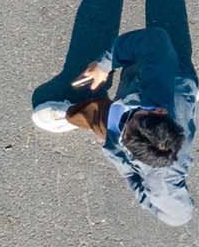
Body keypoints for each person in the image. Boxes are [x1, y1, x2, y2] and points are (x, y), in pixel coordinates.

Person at [33, 26, 196, 227]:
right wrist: (105, 64)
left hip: (146, 93)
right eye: (133, 119)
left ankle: (74, 115)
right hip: (166, 84)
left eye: (124, 135)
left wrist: (131, 177)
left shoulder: (162, 181)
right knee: (152, 66)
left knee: (102, 119)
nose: (123, 124)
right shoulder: (158, 79)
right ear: (160, 111)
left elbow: (178, 215)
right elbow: (156, 39)